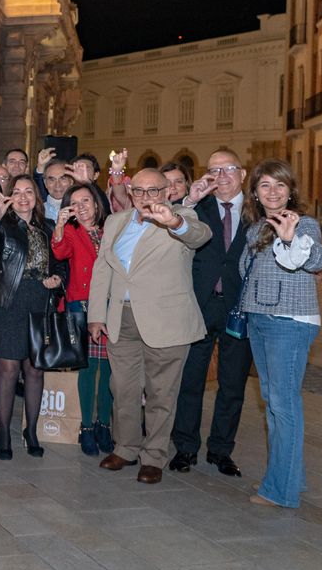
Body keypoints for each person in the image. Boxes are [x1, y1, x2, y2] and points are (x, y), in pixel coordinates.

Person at [88, 168, 211, 484]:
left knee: (161, 393)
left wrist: (174, 222)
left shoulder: (181, 217)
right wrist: (96, 315)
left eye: (153, 191)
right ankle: (126, 448)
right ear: (130, 193)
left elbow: (199, 235)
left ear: (167, 192)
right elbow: (103, 269)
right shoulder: (116, 222)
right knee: (123, 389)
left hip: (165, 321)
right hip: (121, 320)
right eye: (139, 191)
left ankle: (153, 457)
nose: (145, 197)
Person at [240, 160, 322, 508]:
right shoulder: (256, 227)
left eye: (280, 185)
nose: (273, 192)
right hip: (260, 319)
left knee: (283, 404)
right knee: (274, 403)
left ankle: (280, 490)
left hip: (290, 322)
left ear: (291, 190)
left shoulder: (303, 223)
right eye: (265, 186)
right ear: (256, 194)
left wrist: (292, 239)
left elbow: (316, 258)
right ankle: (292, 475)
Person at [170, 150, 254, 477]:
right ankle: (185, 447)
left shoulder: (257, 210)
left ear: (242, 174)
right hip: (199, 305)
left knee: (232, 384)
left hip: (240, 308)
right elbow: (173, 225)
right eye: (214, 170)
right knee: (190, 380)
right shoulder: (198, 207)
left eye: (228, 169)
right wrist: (189, 201)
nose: (221, 176)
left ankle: (221, 450)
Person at [0, 175, 64, 460]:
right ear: (10, 197)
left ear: (37, 197)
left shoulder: (48, 227)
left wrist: (57, 278)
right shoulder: (4, 225)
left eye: (29, 191)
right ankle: (3, 433)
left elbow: (61, 263)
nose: (24, 196)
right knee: (8, 370)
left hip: (39, 301)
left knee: (34, 370)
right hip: (8, 302)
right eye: (17, 192)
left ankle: (32, 430)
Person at [51, 182, 112, 456]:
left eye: (86, 200)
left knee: (110, 368)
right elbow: (60, 251)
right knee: (87, 369)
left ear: (97, 203)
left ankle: (105, 425)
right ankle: (86, 426)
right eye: (75, 203)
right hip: (80, 305)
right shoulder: (73, 233)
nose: (82, 207)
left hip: (111, 306)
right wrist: (60, 225)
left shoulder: (111, 228)